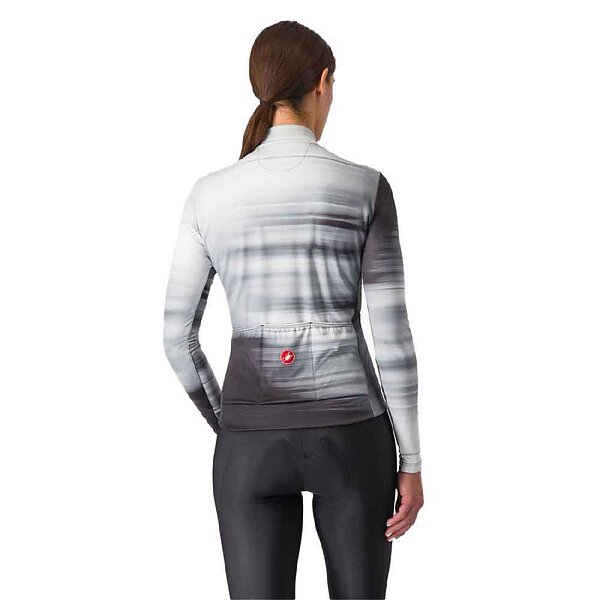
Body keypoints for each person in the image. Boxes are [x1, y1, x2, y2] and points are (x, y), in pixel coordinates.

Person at [162, 19, 424, 600]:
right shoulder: (365, 188)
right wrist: (410, 460)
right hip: (352, 436)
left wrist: (233, 423)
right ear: (322, 82)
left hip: (249, 443)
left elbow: (177, 337)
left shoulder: (208, 195)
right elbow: (393, 338)